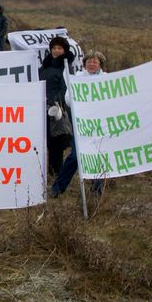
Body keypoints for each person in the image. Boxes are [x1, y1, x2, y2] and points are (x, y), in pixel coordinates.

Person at [51, 51, 106, 198]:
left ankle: (97, 190)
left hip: (100, 125)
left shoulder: (107, 79)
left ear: (100, 64)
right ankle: (57, 189)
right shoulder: (77, 79)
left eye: (95, 62)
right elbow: (68, 99)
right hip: (81, 124)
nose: (91, 64)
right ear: (85, 63)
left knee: (97, 156)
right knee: (75, 156)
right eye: (89, 61)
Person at [39, 36, 75, 177]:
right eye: (54, 48)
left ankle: (56, 173)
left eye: (59, 48)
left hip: (57, 110)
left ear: (64, 50)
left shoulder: (66, 67)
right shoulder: (44, 67)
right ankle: (47, 172)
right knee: (45, 141)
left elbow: (65, 88)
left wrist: (54, 103)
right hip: (41, 108)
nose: (56, 50)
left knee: (56, 143)